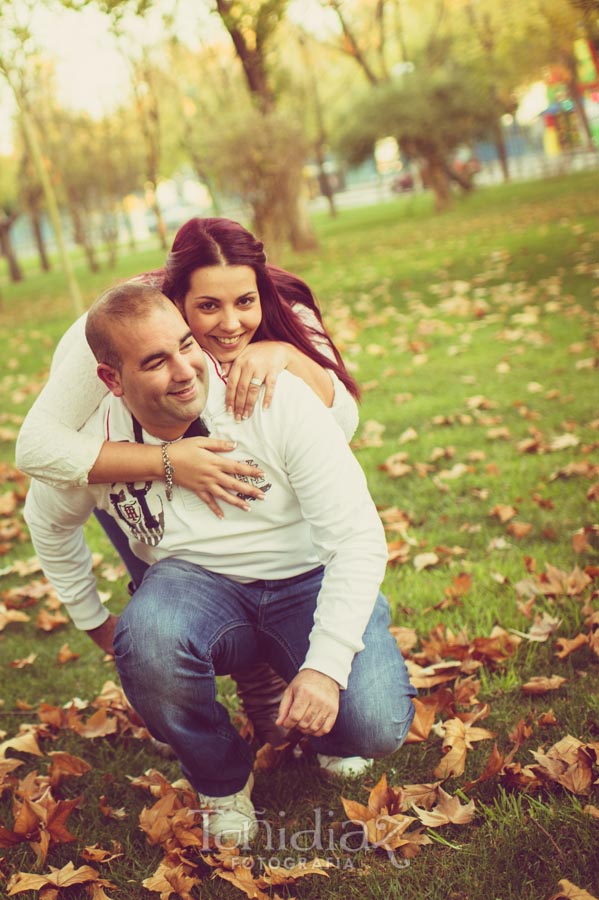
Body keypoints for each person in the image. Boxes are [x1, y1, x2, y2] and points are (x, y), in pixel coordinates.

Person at [24, 283, 416, 846]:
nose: (185, 370)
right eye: (156, 362)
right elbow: (48, 521)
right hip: (196, 587)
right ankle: (222, 781)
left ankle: (330, 731)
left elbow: (357, 535)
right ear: (111, 380)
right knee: (148, 637)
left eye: (187, 345)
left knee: (376, 724)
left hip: (303, 577)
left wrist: (326, 667)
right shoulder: (92, 442)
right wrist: (93, 619)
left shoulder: (264, 394)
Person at [15, 217, 360, 744]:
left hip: (276, 507)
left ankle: (274, 663)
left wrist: (287, 356)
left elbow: (343, 425)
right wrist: (167, 462)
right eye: (206, 307)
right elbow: (38, 450)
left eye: (244, 302)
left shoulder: (286, 311)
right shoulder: (116, 337)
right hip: (134, 466)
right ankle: (213, 676)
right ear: (175, 302)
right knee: (172, 579)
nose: (229, 325)